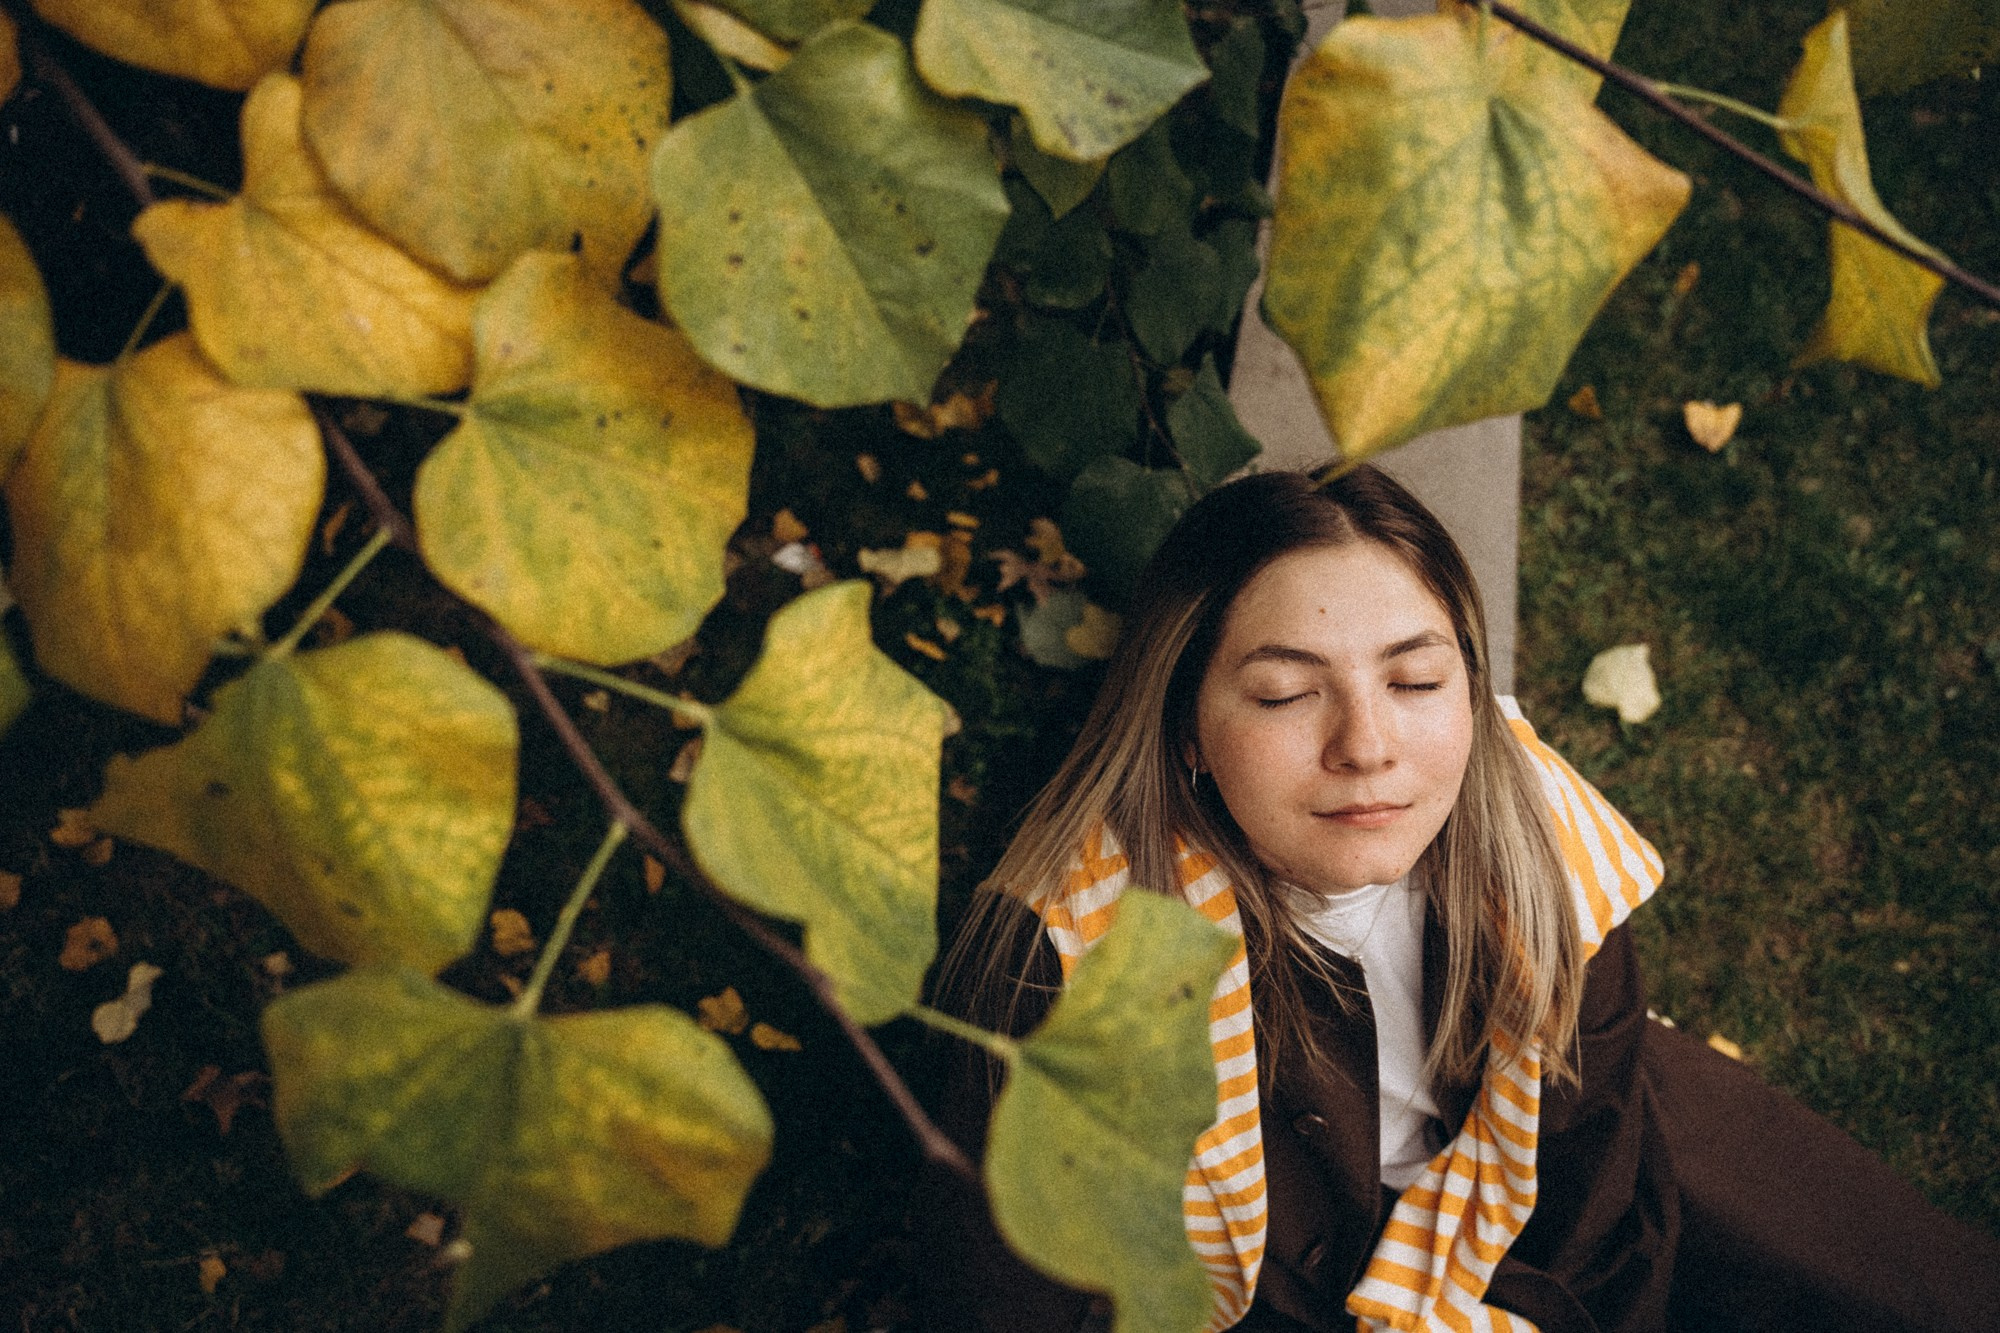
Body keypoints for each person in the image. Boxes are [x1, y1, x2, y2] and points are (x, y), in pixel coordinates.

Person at [920, 464, 2000, 1333]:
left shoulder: (1537, 841)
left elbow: (1589, 1185)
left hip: (1540, 1180)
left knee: (1900, 1292)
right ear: (1187, 734)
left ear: (1470, 695)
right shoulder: (1063, 959)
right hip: (1261, 1288)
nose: (1366, 747)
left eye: (1415, 680)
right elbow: (1021, 1293)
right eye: (1287, 693)